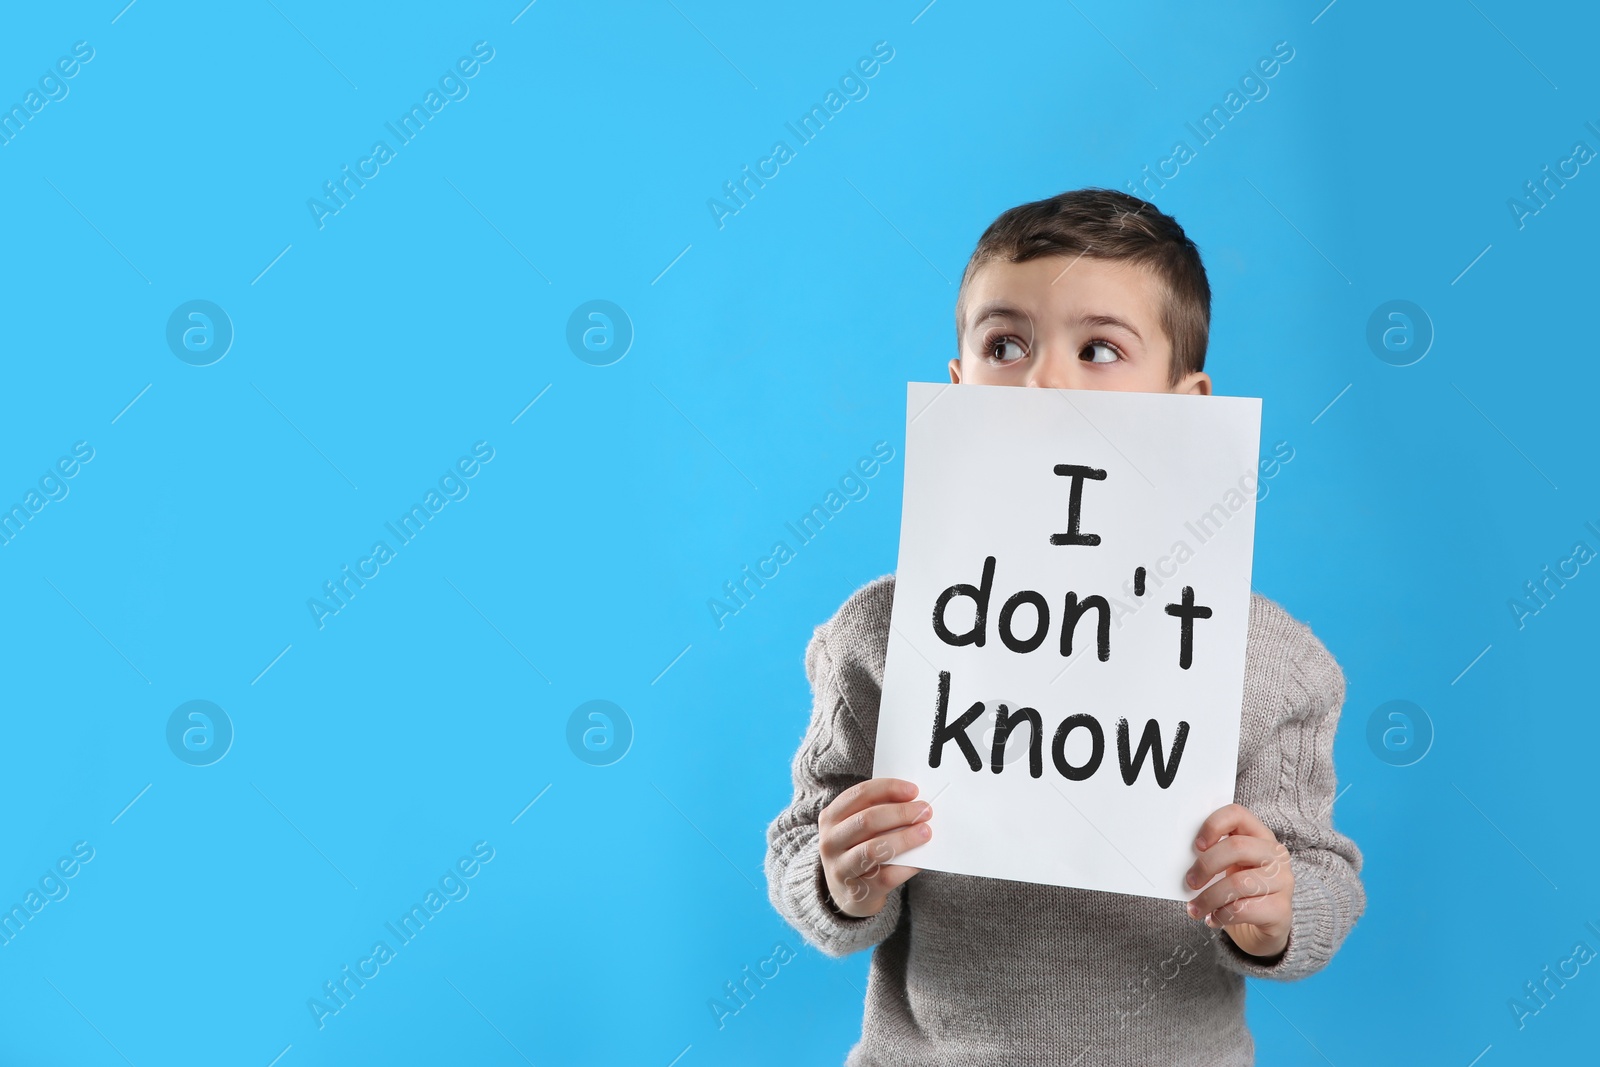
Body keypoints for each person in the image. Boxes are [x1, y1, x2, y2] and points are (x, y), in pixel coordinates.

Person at [763, 188, 1364, 1065]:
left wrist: (1277, 909)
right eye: (1005, 344)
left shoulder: (1270, 657)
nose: (1043, 381)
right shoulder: (885, 630)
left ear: (1185, 402)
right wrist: (837, 878)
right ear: (960, 385)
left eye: (1099, 349)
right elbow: (802, 835)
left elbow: (1322, 876)